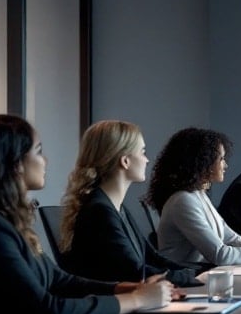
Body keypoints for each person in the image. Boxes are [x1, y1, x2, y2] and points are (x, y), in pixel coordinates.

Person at [0, 115, 171, 314]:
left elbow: (59, 280)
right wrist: (136, 300)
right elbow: (46, 311)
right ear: (15, 163)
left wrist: (126, 289)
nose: (46, 161)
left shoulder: (3, 222)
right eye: (39, 152)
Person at [59, 120, 202, 287]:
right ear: (125, 161)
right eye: (142, 152)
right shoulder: (100, 211)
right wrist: (193, 279)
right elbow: (136, 272)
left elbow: (152, 257)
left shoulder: (116, 208)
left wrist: (195, 274)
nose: (147, 160)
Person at [148, 128, 241, 268]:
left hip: (202, 276)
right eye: (221, 159)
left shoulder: (198, 195)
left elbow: (233, 240)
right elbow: (221, 255)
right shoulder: (183, 201)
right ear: (203, 162)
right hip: (187, 283)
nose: (226, 165)